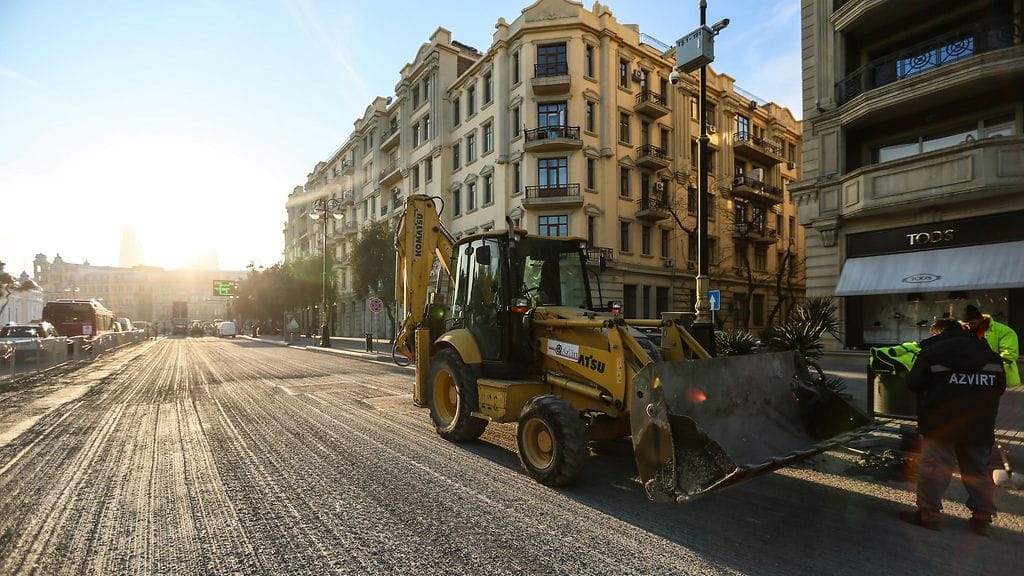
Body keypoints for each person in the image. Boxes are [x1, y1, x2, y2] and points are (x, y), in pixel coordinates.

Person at [899, 318, 1006, 534]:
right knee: (978, 471)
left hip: (941, 423)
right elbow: (1001, 387)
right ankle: (982, 517)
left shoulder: (931, 352)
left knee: (935, 468)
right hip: (979, 423)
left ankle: (929, 515)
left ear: (937, 333)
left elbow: (913, 384)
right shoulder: (988, 353)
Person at [963, 304, 1020, 389]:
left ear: (981, 319)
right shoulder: (964, 331)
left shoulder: (1005, 332)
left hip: (1004, 382)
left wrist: (984, 370)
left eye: (972, 323)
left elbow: (1008, 356)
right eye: (966, 324)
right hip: (976, 381)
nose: (969, 326)